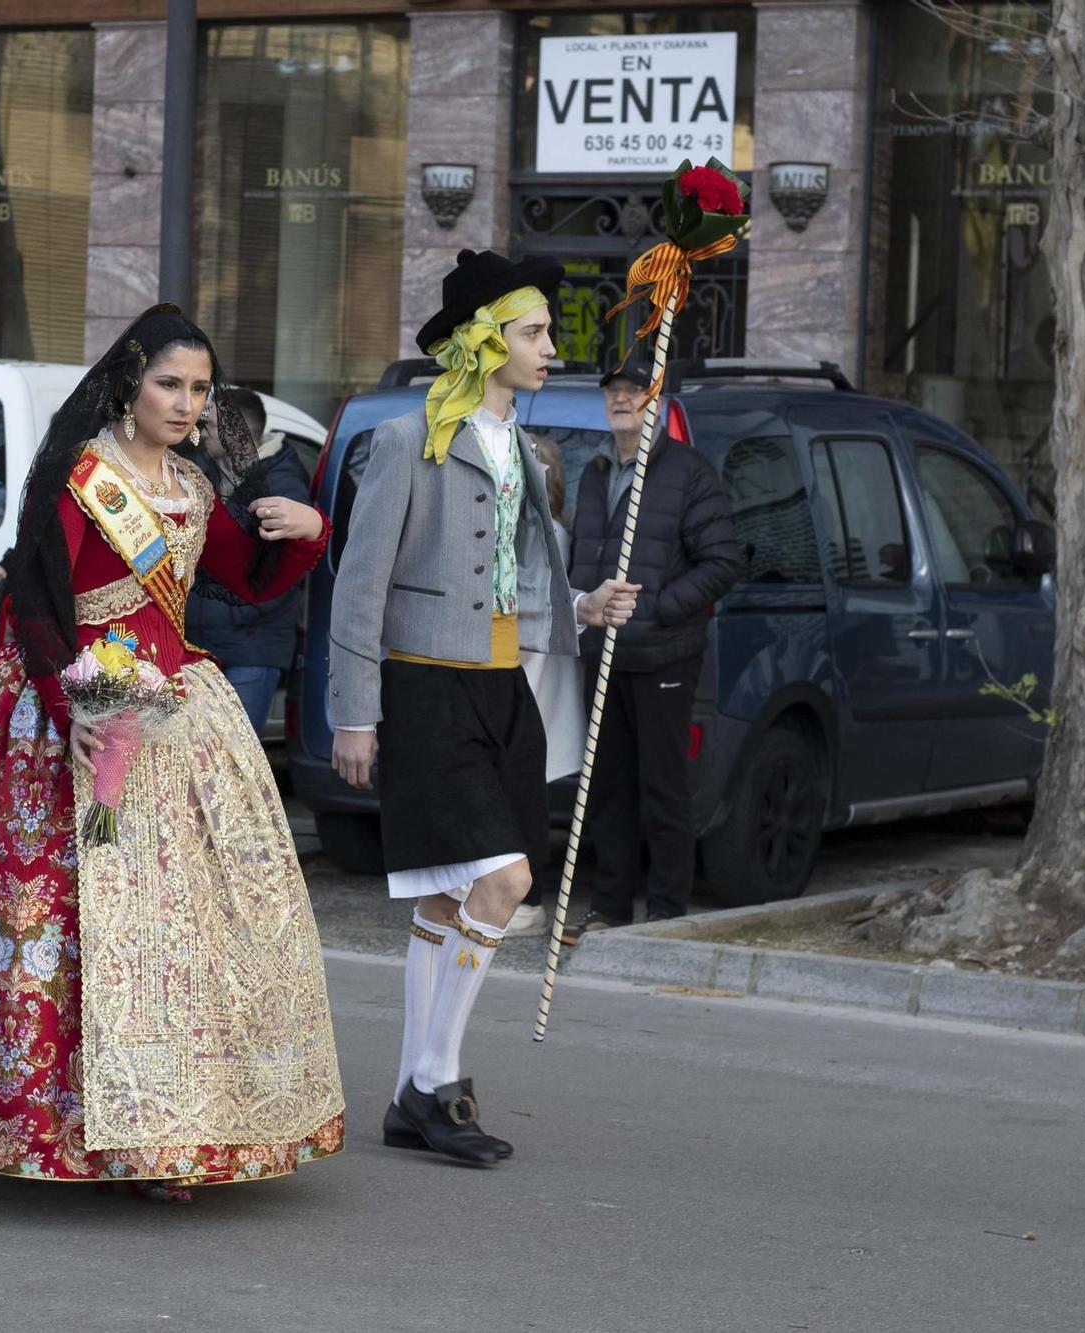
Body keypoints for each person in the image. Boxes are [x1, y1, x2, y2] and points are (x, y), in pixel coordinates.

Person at [0, 304, 344, 1198]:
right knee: (46, 930)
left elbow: (244, 580)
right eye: (168, 385)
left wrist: (308, 533)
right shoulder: (78, 475)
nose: (184, 404)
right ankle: (47, 1121)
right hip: (65, 709)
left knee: (181, 933)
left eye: (198, 390)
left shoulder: (188, 484)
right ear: (129, 382)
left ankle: (168, 1129)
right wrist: (78, 704)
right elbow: (36, 602)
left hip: (176, 716)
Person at [328, 248, 639, 1167]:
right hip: (427, 687)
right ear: (483, 339)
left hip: (507, 688)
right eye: (534, 330)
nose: (551, 347)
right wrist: (356, 711)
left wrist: (583, 605)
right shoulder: (407, 439)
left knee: (446, 894)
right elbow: (359, 585)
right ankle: (437, 1082)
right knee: (503, 880)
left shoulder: (530, 450)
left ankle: (406, 1095)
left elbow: (519, 581)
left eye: (549, 331)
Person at [559, 357, 743, 944]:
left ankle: (666, 910)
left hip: (663, 654)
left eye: (634, 391)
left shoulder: (687, 473)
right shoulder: (592, 473)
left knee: (663, 784)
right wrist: (581, 607)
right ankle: (611, 905)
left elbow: (723, 561)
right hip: (602, 654)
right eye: (614, 391)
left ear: (655, 403)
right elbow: (582, 559)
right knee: (606, 785)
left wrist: (659, 605)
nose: (621, 399)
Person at [174, 387, 311, 735]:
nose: (201, 429)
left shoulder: (281, 485)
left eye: (211, 423)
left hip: (250, 648)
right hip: (202, 645)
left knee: (234, 764)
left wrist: (224, 609)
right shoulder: (204, 472)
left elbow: (280, 574)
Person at [505, 433, 586, 938]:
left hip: (533, 674)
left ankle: (529, 900)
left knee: (523, 797)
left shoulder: (549, 533)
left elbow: (530, 604)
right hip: (516, 672)